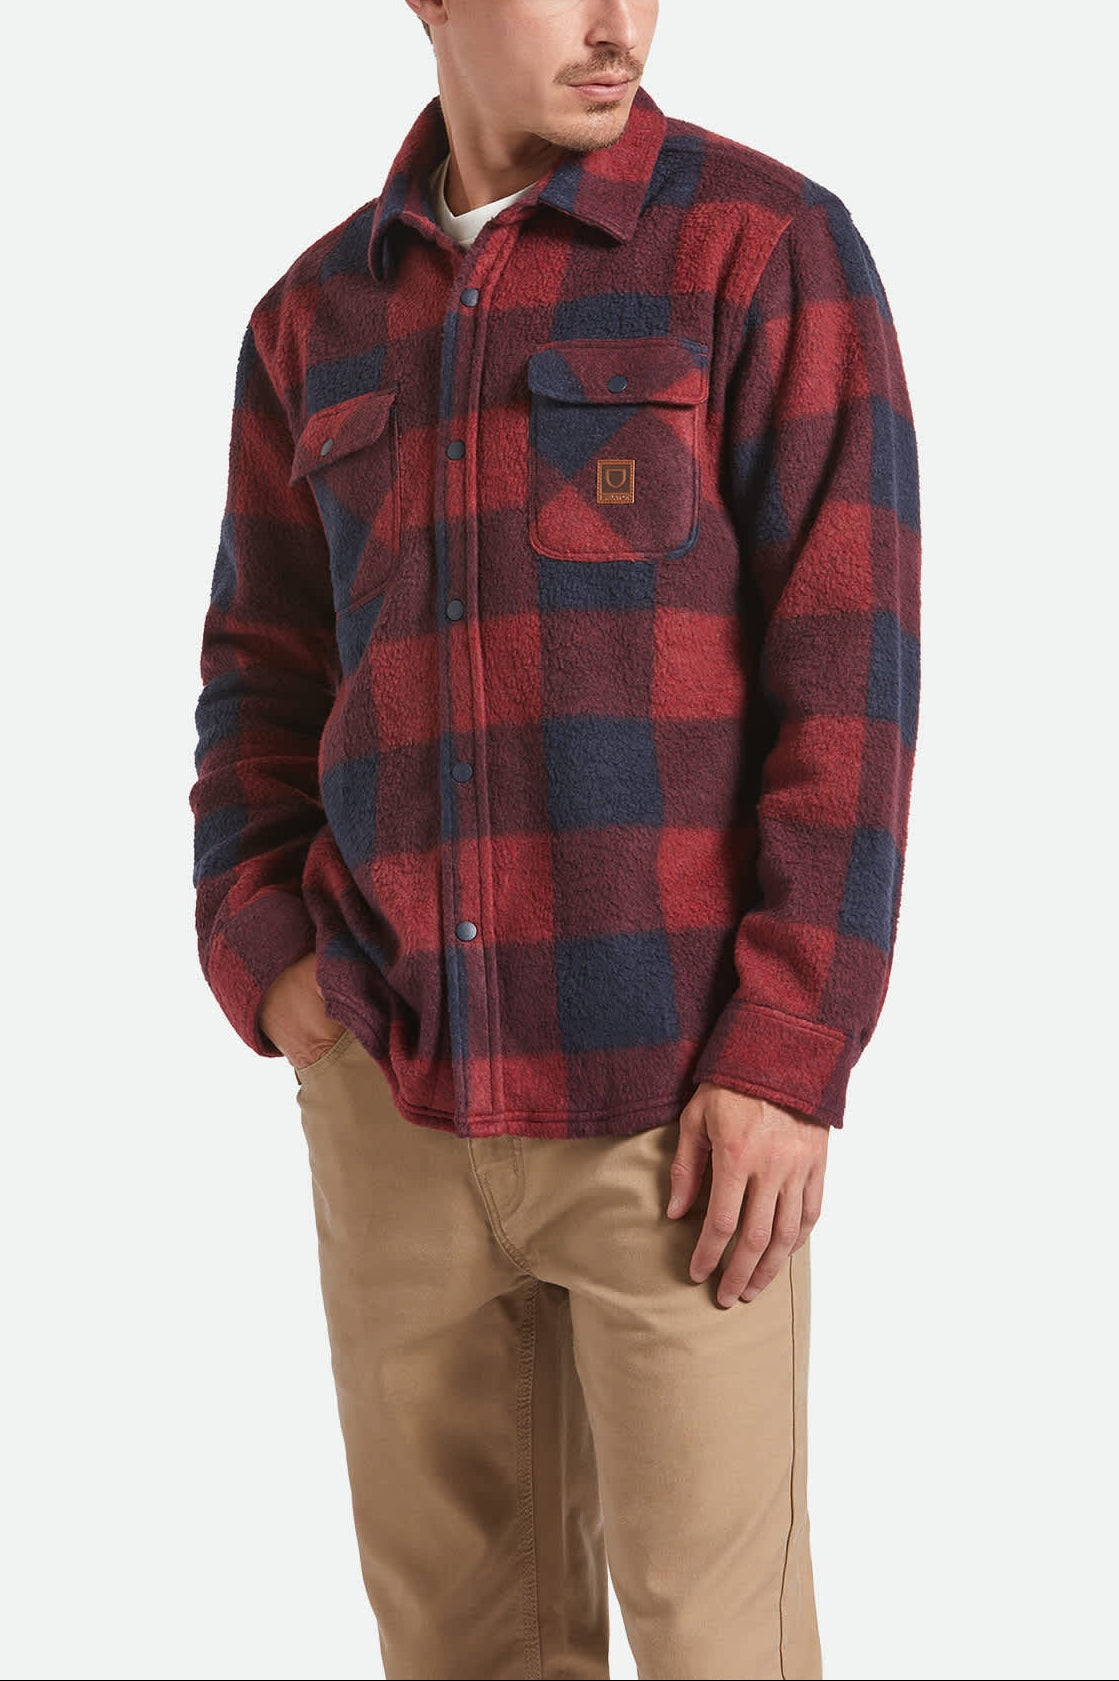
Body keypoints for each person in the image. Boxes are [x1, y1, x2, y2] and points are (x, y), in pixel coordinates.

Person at [188, 1, 920, 1675]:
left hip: (678, 1128)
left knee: (723, 1644)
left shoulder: (766, 253)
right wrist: (272, 962)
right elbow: (262, 677)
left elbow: (851, 683)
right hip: (393, 1095)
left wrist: (789, 1052)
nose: (618, 22)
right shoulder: (310, 319)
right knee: (456, 1649)